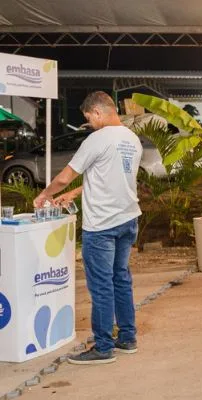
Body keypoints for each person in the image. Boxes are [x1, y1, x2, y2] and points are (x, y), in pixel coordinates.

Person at [33, 91, 143, 365]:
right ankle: (127, 338)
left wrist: (44, 195)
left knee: (102, 285)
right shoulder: (132, 139)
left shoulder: (97, 139)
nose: (90, 125)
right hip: (128, 219)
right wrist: (75, 194)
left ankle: (104, 346)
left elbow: (64, 177)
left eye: (89, 119)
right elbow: (110, 178)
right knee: (121, 279)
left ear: (97, 112)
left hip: (102, 226)